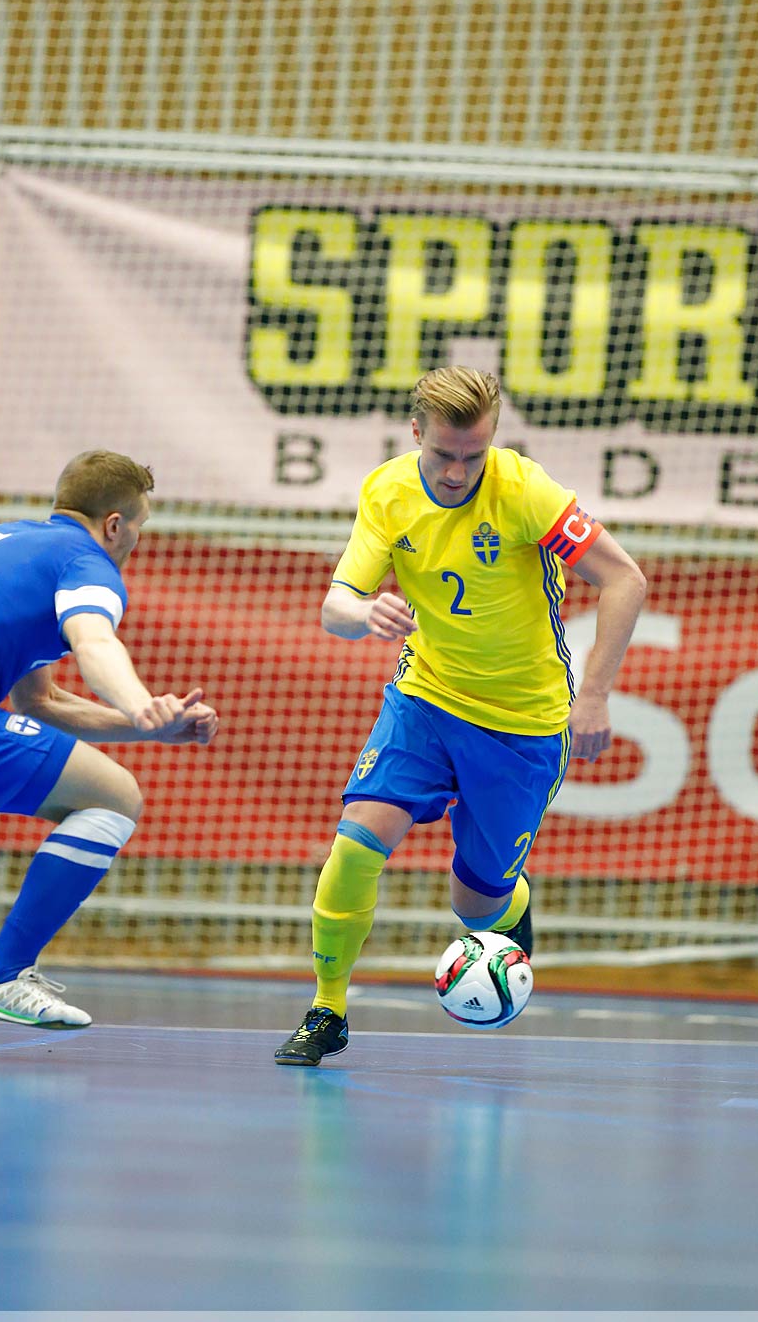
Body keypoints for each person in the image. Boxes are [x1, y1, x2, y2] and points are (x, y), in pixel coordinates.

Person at [274, 367, 646, 1066]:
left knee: (475, 906)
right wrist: (363, 612)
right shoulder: (387, 491)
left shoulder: (524, 491)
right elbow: (337, 605)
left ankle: (508, 913)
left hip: (524, 721)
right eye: (444, 454)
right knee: (355, 844)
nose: (456, 472)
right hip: (427, 697)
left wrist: (593, 696)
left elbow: (624, 577)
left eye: (473, 455)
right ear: (417, 433)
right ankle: (327, 1009)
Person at [0, 449, 219, 1028]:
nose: (135, 543)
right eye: (140, 529)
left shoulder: (12, 541)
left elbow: (39, 702)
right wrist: (139, 702)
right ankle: (2, 975)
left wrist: (150, 726)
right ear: (115, 524)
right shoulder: (85, 560)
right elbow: (95, 641)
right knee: (115, 796)